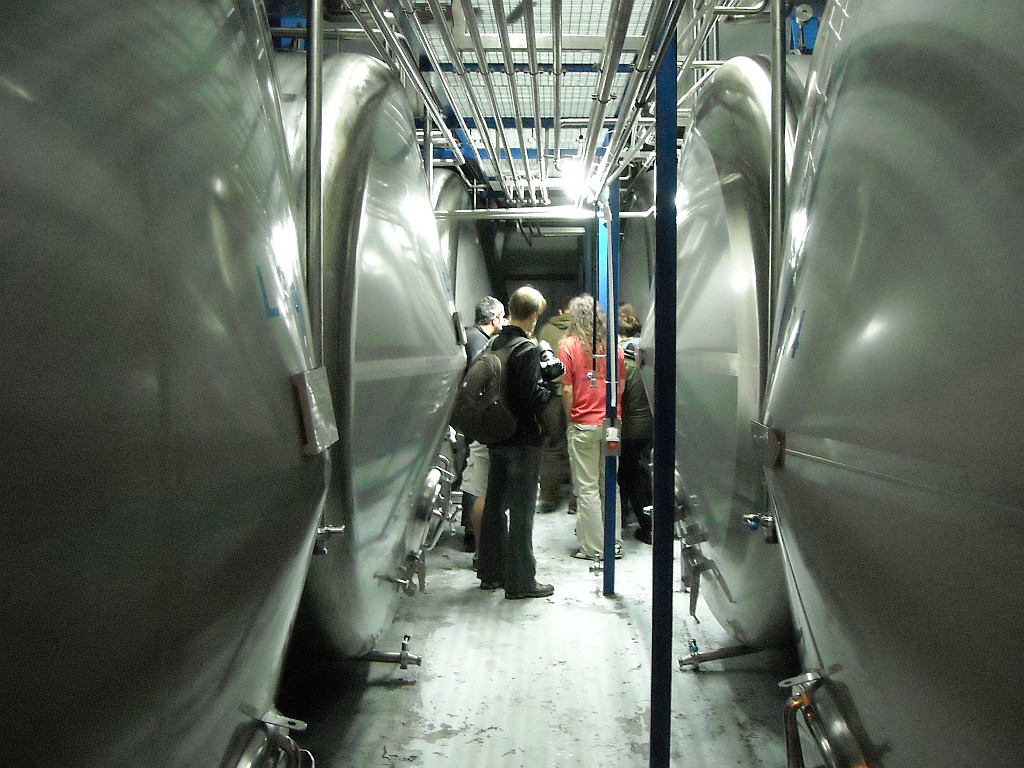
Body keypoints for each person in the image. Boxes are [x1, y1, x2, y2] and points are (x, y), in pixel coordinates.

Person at [476, 286, 556, 600]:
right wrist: (549, 386)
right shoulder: (526, 349)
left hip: (497, 435)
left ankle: (490, 573)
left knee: (495, 505)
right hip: (523, 439)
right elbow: (531, 398)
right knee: (522, 511)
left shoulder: (494, 343)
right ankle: (521, 581)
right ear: (534, 316)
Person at [558, 294, 626, 561]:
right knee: (609, 484)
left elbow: (567, 389)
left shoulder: (568, 346)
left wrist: (571, 418)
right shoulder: (614, 346)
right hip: (611, 423)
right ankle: (614, 542)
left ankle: (594, 548)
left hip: (583, 423)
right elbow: (620, 385)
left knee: (586, 487)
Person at [457, 296, 506, 554]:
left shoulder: (469, 335)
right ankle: (472, 533)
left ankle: (471, 530)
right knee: (475, 478)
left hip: (466, 416)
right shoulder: (482, 344)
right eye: (502, 318)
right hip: (476, 419)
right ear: (494, 319)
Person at [617, 305, 653, 544]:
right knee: (644, 474)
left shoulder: (622, 360)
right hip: (650, 427)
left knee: (628, 477)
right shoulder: (648, 355)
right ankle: (647, 522)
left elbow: (618, 397)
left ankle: (638, 524)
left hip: (629, 429)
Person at [535, 303, 574, 513]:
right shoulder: (581, 331)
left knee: (552, 446)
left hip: (551, 397)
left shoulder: (546, 329)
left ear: (560, 311)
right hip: (575, 395)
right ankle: (576, 501)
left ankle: (549, 497)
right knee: (576, 447)